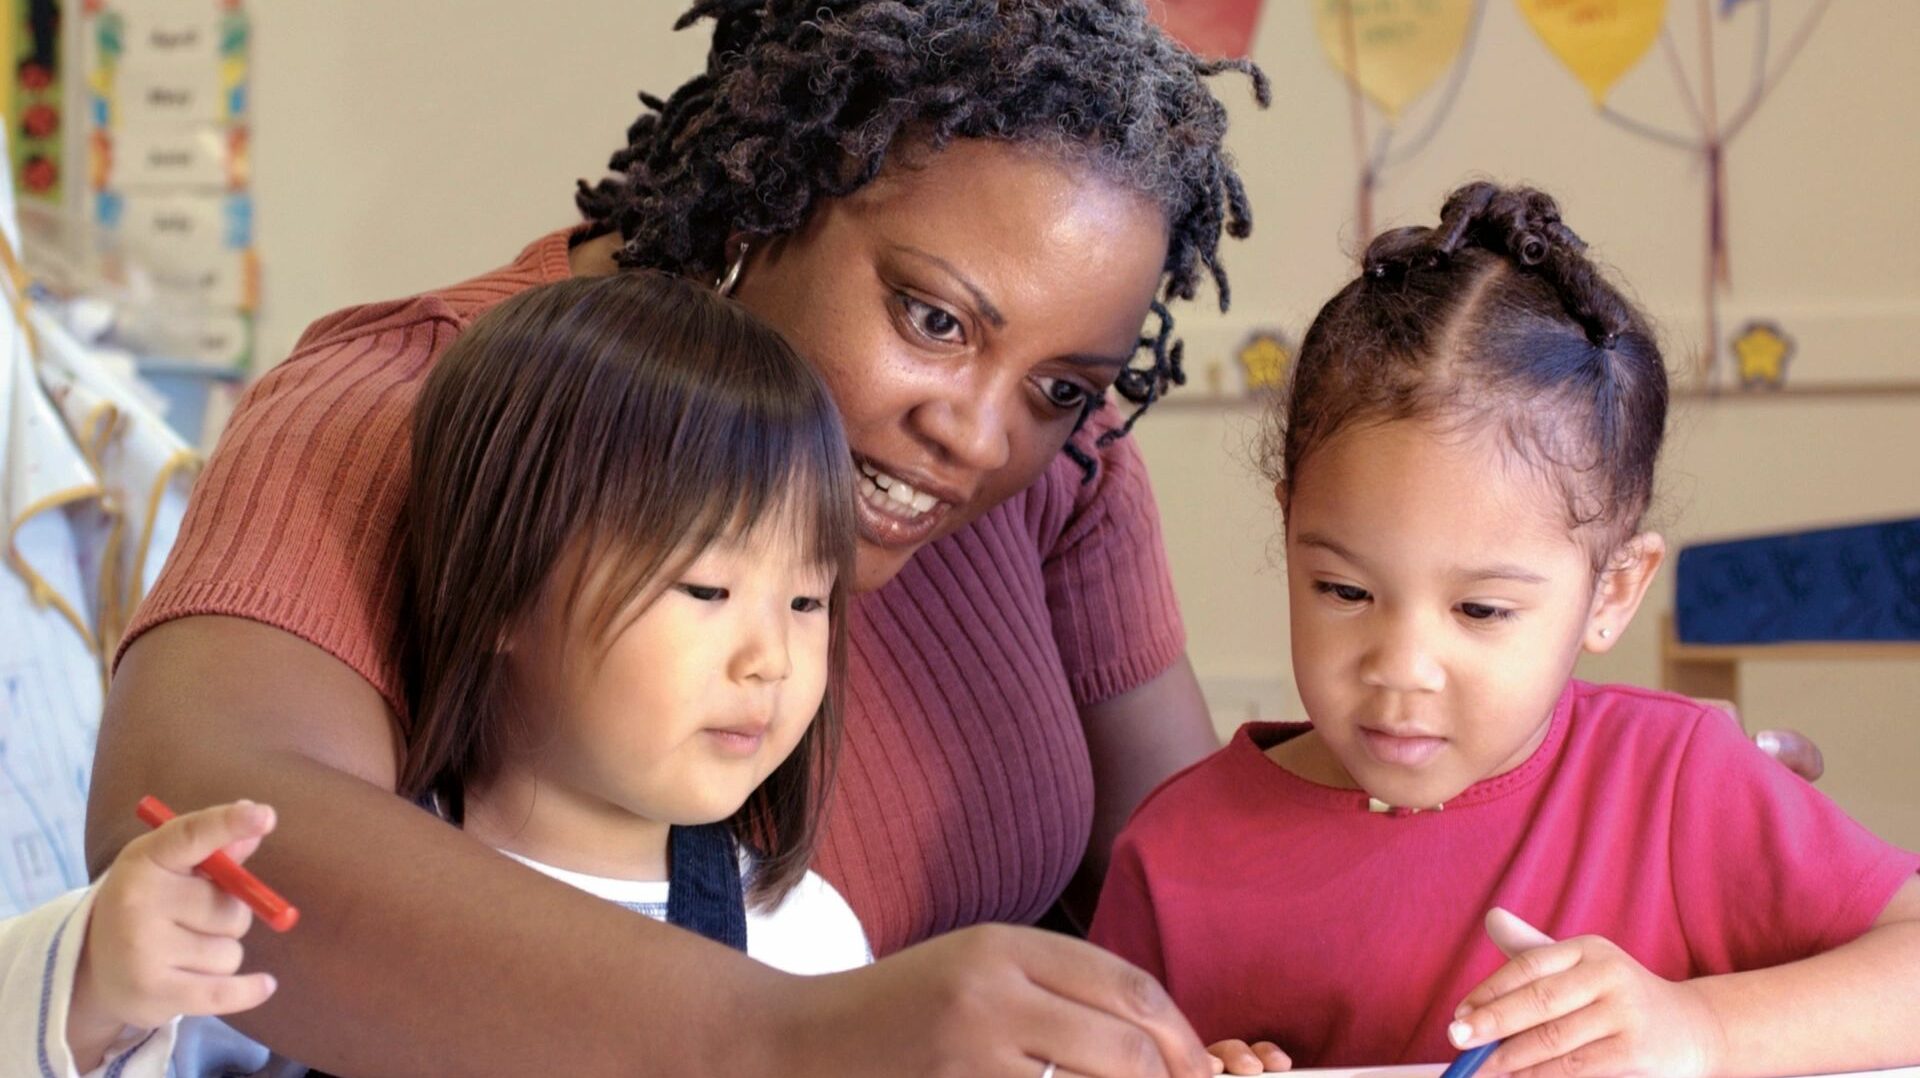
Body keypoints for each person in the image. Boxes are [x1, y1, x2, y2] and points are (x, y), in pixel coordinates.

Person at [85, 3, 1260, 1074]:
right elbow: (216, 828)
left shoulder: (1066, 463)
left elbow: (1206, 894)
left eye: (1059, 385)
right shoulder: (415, 407)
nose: (976, 434)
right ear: (772, 201)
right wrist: (787, 1037)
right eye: (933, 318)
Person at [1089, 183, 1920, 1076]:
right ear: (1288, 532)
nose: (1401, 670)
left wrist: (1704, 1030)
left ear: (1613, 590)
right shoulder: (1177, 854)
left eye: (1480, 610)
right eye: (1342, 589)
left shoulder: (1677, 782)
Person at [10, 273, 873, 1075]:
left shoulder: (806, 945)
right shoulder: (309, 894)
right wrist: (99, 982)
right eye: (707, 589)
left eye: (807, 602)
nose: (773, 660)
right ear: (502, 585)